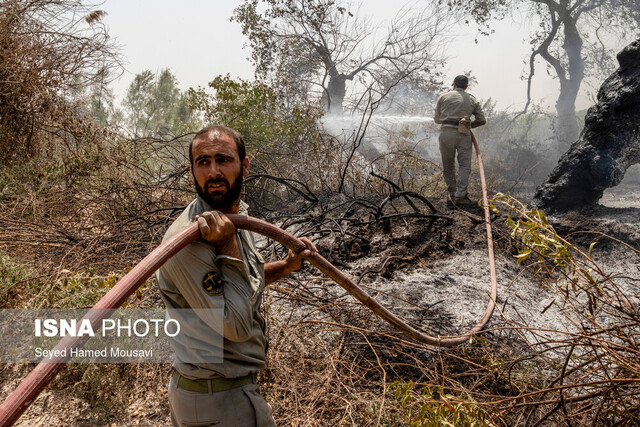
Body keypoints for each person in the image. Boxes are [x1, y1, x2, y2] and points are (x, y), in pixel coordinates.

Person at [156, 125, 317, 426]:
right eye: (203, 162)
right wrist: (228, 244)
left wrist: (286, 266)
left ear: (244, 166)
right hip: (215, 403)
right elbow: (237, 325)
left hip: (226, 393)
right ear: (192, 170)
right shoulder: (190, 240)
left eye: (223, 160)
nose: (213, 171)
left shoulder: (227, 218)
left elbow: (241, 283)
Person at [433, 75, 486, 206]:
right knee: (464, 165)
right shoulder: (472, 99)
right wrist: (468, 125)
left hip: (446, 134)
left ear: (454, 84)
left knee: (448, 165)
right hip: (463, 135)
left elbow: (437, 120)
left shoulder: (443, 97)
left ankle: (452, 194)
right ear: (466, 86)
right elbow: (481, 120)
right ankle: (460, 195)